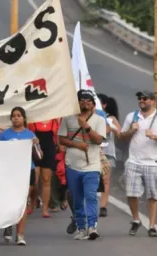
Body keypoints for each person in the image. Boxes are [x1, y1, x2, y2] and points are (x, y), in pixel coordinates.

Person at [118, 90, 157, 237]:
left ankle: (152, 226)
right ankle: (136, 219)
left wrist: (153, 136)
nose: (141, 100)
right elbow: (122, 136)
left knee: (153, 196)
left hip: (153, 163)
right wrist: (131, 131)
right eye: (139, 98)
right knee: (131, 194)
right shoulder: (132, 116)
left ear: (153, 101)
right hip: (133, 161)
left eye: (145, 98)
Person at [58, 90, 107, 241]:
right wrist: (76, 145)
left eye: (88, 100)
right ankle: (81, 227)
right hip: (72, 165)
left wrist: (86, 126)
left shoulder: (99, 120)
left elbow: (98, 140)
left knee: (91, 196)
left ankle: (92, 227)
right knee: (77, 199)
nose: (85, 102)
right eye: (81, 100)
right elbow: (61, 139)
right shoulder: (68, 119)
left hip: (91, 166)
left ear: (93, 104)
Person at [0, 106, 37, 246]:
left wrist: (35, 145)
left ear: (24, 118)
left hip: (27, 170)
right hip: (10, 172)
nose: (16, 118)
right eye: (14, 116)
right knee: (9, 200)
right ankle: (8, 224)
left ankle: (20, 234)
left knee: (23, 202)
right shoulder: (4, 135)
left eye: (19, 115)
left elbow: (39, 155)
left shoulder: (30, 134)